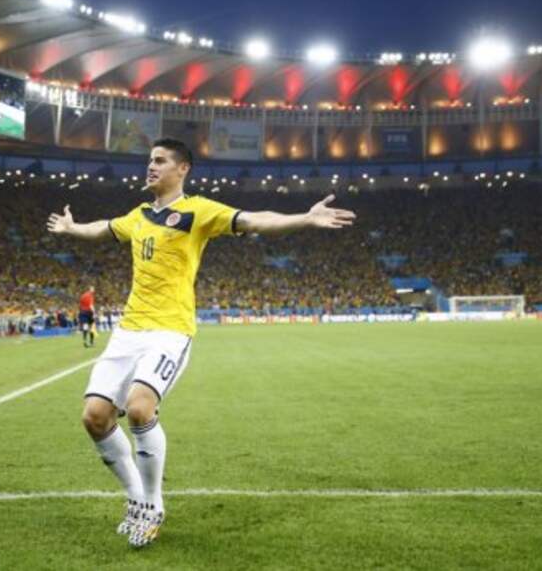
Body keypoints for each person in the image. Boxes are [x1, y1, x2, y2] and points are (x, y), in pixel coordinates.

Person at [46, 137, 356, 548]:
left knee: (140, 408)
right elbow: (100, 229)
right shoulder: (137, 216)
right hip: (128, 331)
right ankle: (135, 497)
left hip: (170, 330)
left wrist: (304, 217)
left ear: (183, 169)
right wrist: (70, 228)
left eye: (159, 161)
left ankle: (153, 504)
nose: (150, 167)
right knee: (94, 417)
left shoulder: (198, 211)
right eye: (149, 161)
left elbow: (255, 220)